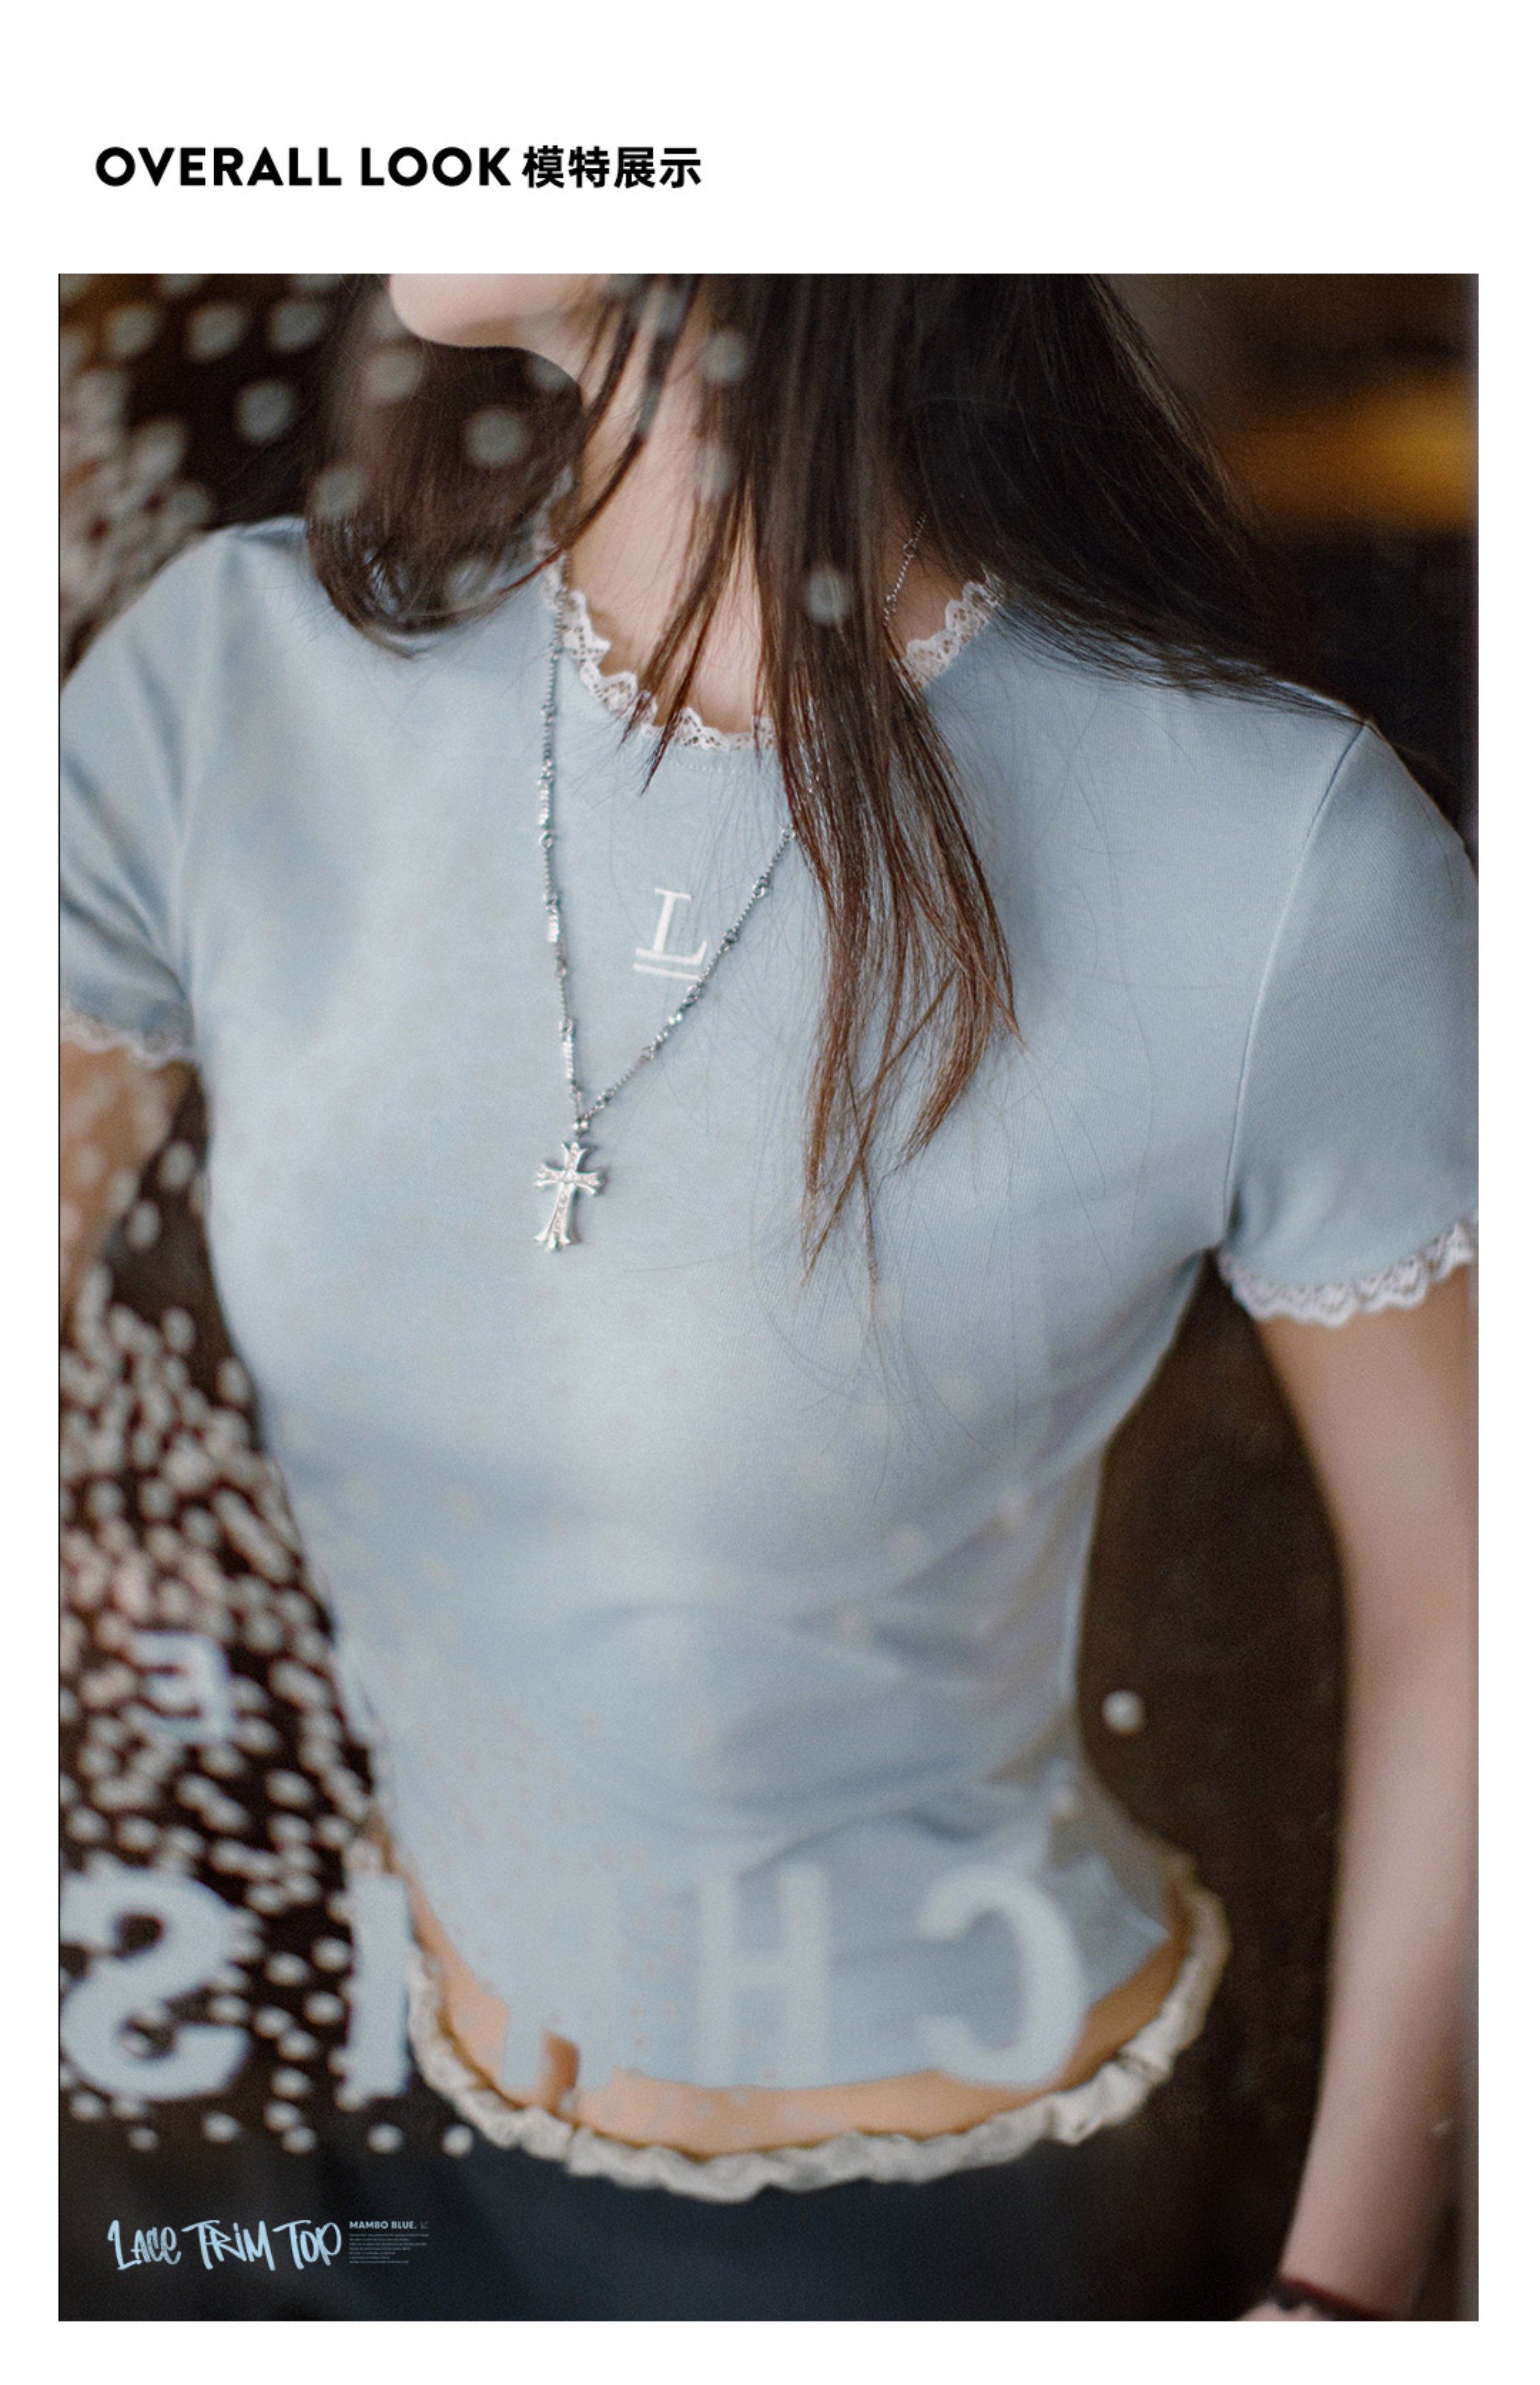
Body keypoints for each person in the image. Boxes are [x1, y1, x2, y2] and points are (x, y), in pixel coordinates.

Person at [60, 275, 1476, 2320]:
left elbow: (1468, 1592)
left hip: (949, 2208)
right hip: (364, 2110)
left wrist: (1349, 2302)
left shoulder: (1270, 848)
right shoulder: (230, 678)